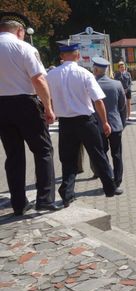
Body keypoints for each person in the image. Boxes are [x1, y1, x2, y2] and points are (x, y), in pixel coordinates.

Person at [0, 12, 62, 215]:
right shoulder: (24, 47)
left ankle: (18, 203)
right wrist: (49, 108)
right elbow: (38, 80)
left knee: (13, 155)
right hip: (25, 103)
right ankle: (44, 199)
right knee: (43, 150)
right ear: (19, 31)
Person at [46, 42, 122, 207]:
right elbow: (98, 101)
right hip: (85, 121)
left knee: (68, 159)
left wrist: (50, 110)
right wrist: (105, 122)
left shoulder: (51, 75)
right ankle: (110, 188)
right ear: (78, 55)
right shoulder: (84, 73)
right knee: (98, 154)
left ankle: (67, 193)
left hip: (65, 123)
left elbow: (46, 97)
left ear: (61, 56)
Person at [93, 57, 127, 189]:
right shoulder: (117, 84)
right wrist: (122, 122)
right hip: (115, 124)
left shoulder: (91, 84)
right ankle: (117, 181)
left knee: (101, 154)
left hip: (97, 125)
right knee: (117, 154)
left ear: (96, 70)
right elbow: (122, 105)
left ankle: (108, 178)